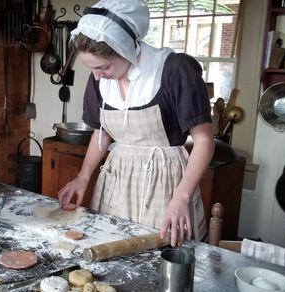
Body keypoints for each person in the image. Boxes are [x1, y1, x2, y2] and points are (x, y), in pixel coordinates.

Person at [57, 0, 214, 247]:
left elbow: (205, 141)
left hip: (165, 182)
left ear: (125, 50)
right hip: (116, 180)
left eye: (103, 67)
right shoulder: (99, 79)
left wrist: (182, 196)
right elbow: (102, 131)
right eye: (92, 68)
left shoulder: (173, 70)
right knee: (109, 248)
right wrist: (83, 177)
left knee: (158, 255)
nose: (97, 76)